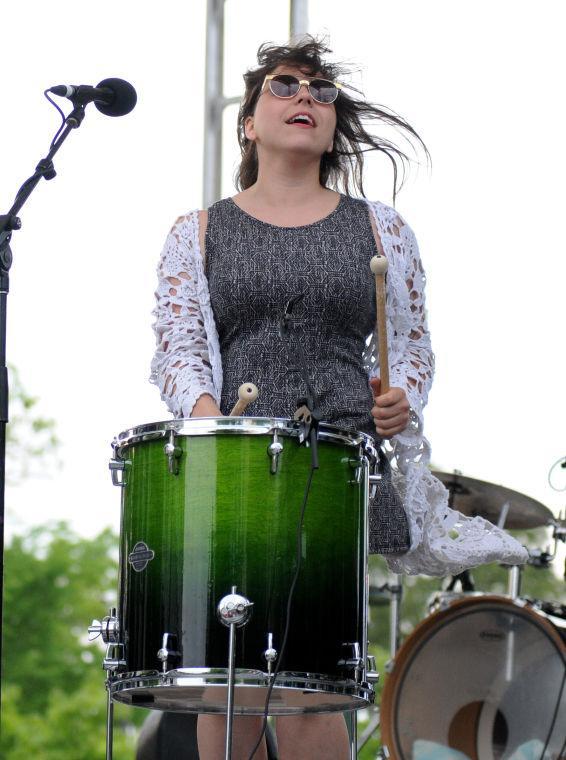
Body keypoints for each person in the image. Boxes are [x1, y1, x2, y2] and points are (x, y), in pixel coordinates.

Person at [151, 36, 527, 760]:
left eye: (323, 93)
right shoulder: (195, 233)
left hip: (337, 461)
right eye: (287, 86)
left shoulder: (380, 229)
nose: (307, 101)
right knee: (230, 688)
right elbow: (180, 346)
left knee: (310, 684)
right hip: (236, 466)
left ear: (331, 127)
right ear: (249, 122)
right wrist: (207, 421)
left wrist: (401, 397)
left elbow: (408, 346)